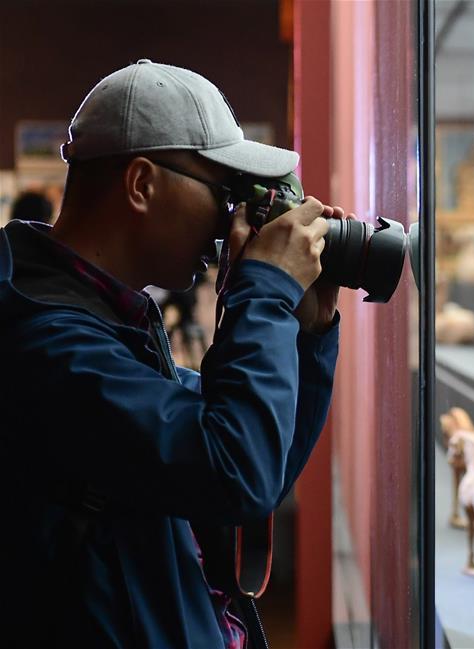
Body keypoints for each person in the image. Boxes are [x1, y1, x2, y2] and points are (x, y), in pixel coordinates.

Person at [0, 59, 349, 648]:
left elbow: (252, 480)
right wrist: (261, 290)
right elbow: (232, 472)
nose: (229, 219)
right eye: (224, 191)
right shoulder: (49, 342)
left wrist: (307, 334)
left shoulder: (114, 322)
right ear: (142, 184)